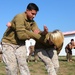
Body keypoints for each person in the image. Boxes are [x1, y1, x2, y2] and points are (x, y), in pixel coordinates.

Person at [1, 3, 48, 75]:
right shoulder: (19, 17)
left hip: (20, 44)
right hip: (8, 43)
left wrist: (43, 33)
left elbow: (36, 31)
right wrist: (32, 36)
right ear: (27, 10)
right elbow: (21, 35)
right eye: (32, 13)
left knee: (23, 65)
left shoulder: (32, 22)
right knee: (12, 67)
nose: (34, 16)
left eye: (35, 14)